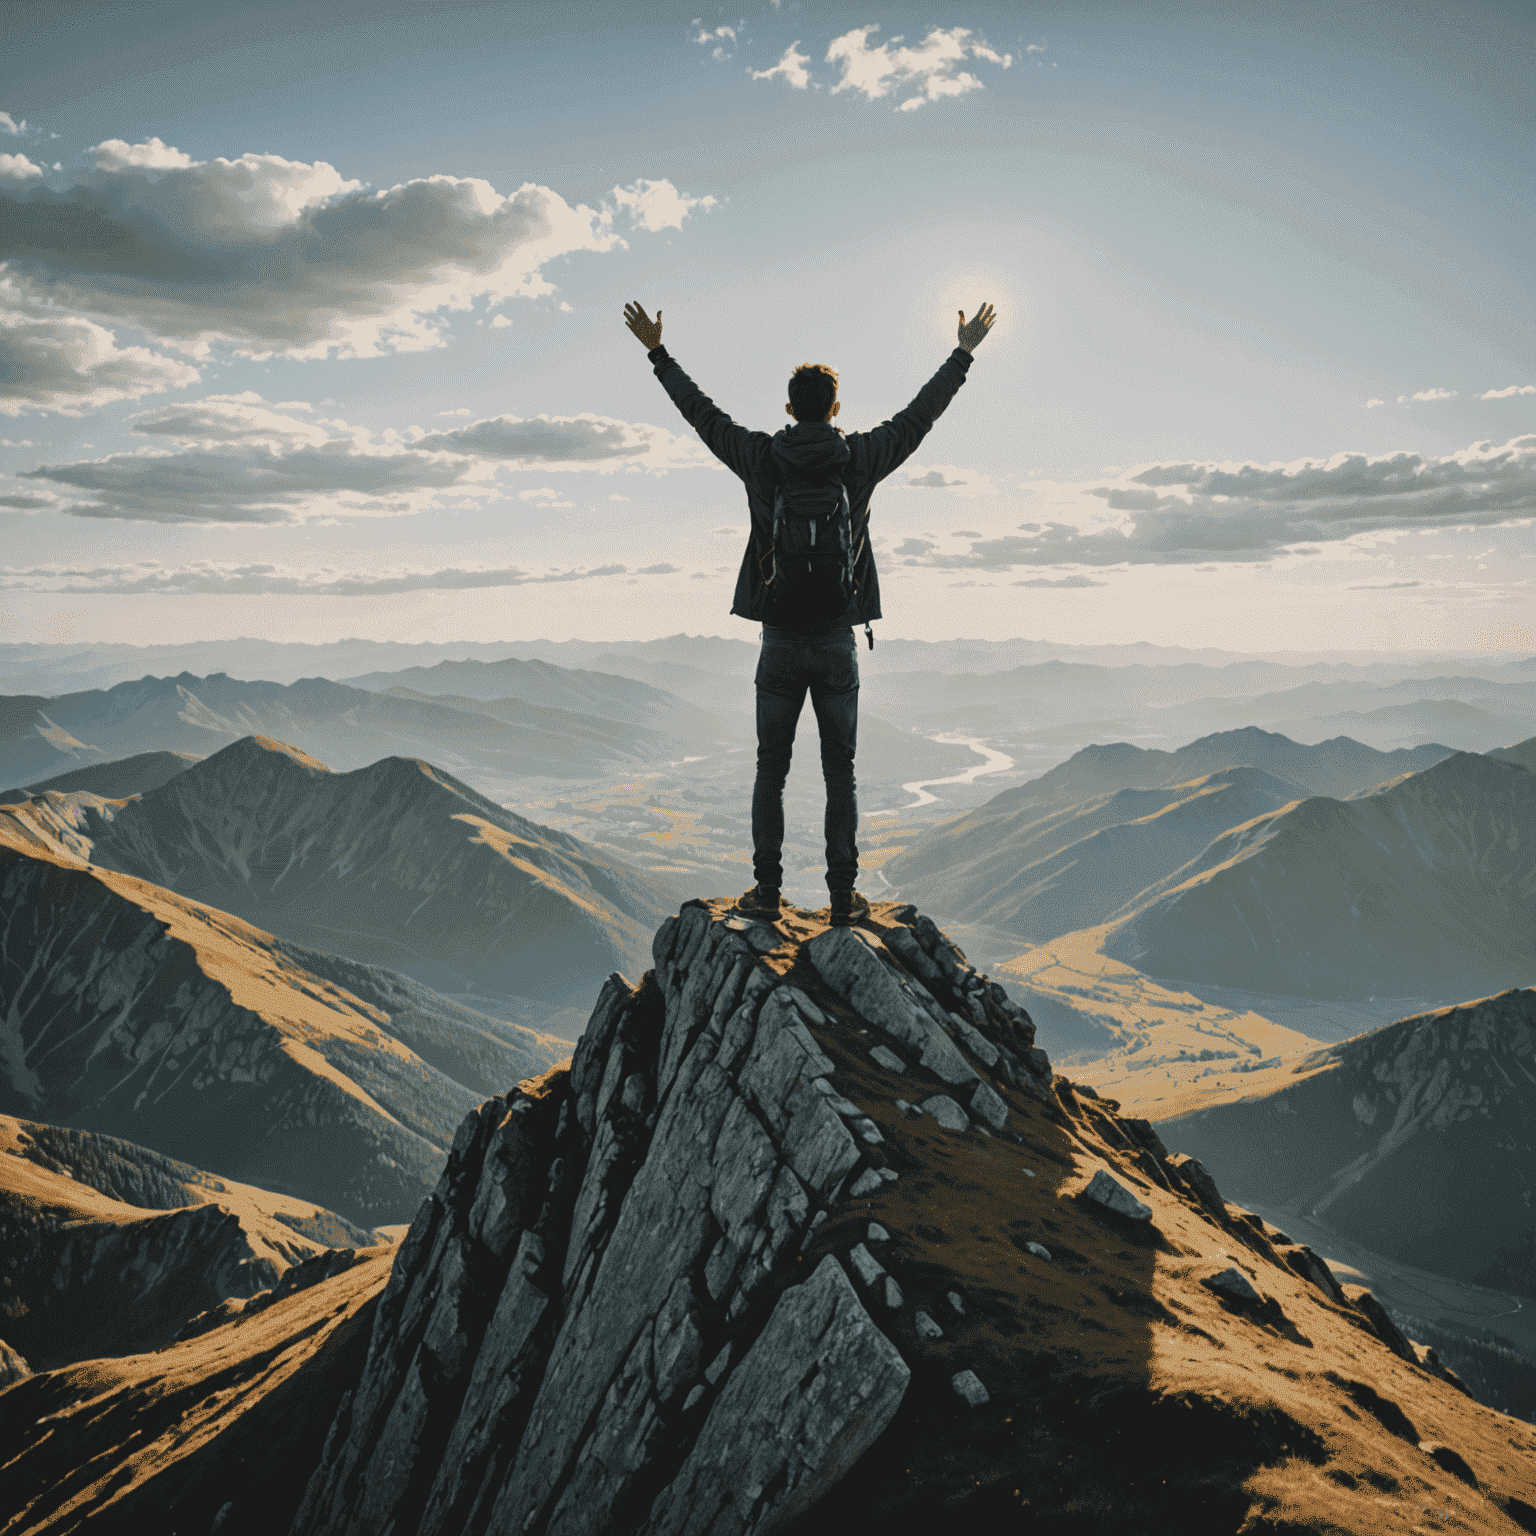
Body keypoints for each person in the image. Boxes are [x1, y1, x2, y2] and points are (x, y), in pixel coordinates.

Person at [623, 299, 997, 925]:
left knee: (771, 768)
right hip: (835, 642)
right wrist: (962, 354)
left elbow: (703, 416)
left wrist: (658, 353)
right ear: (836, 408)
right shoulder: (861, 460)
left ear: (791, 408)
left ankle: (766, 894)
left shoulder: (762, 459)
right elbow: (919, 417)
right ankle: (844, 898)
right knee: (839, 772)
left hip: (779, 640)